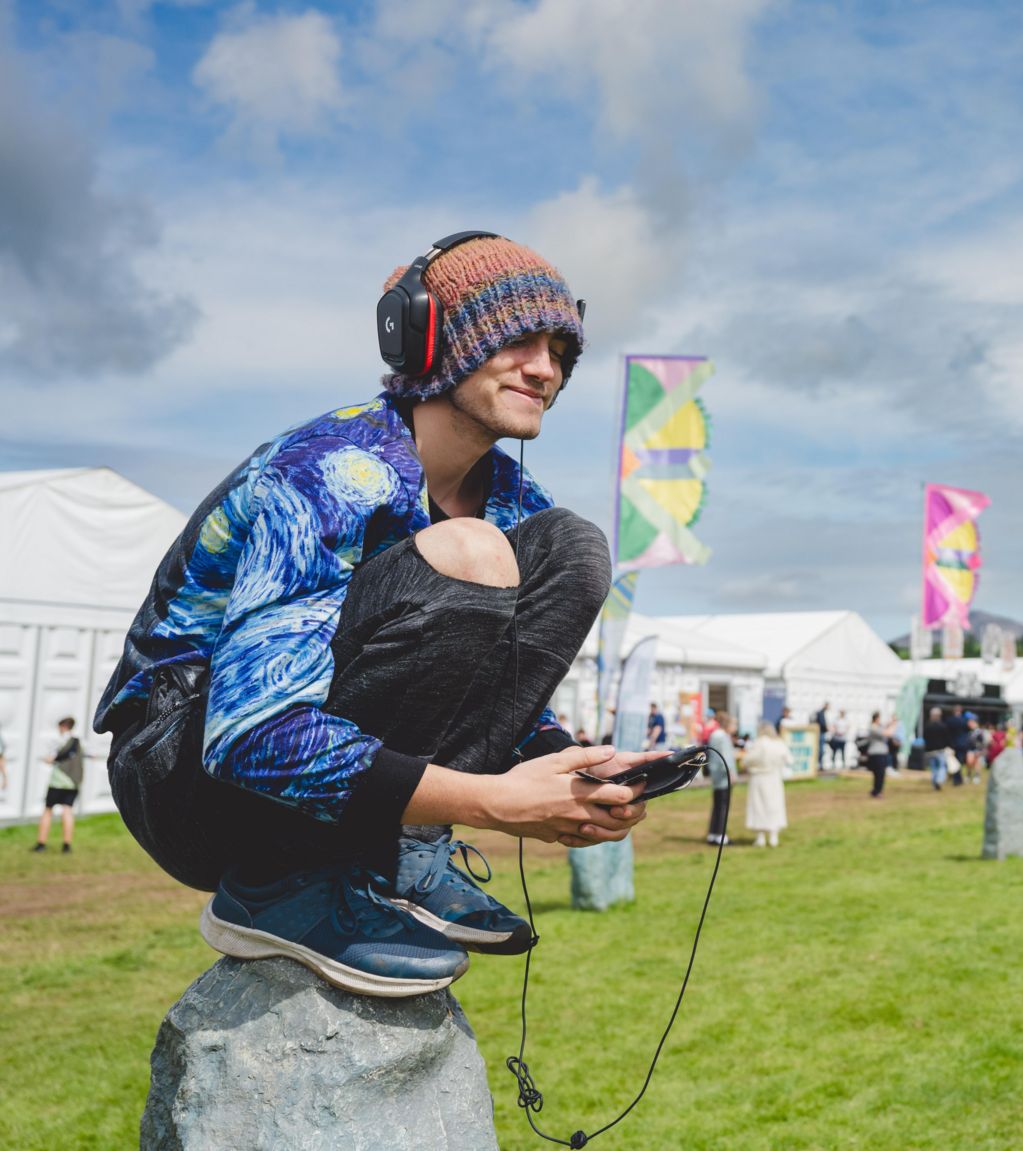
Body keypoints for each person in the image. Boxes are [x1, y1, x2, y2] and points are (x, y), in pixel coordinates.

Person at [90, 233, 661, 998]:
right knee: (475, 552)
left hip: (287, 756)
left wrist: (565, 765)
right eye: (518, 338)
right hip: (183, 773)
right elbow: (249, 734)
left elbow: (492, 683)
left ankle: (398, 859)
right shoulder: (327, 471)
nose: (546, 368)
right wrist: (496, 801)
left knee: (574, 548)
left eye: (561, 349)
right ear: (428, 336)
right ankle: (275, 883)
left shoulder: (516, 500)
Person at [33, 717, 85, 854]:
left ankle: (41, 844)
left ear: (63, 726)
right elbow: (93, 754)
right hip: (73, 783)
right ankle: (67, 845)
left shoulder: (58, 740)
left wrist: (49, 759)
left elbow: (51, 757)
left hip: (57, 781)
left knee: (48, 810)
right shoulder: (79, 741)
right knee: (67, 811)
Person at [744, 717, 790, 847]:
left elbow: (748, 759)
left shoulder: (760, 743)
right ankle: (773, 836)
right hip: (774, 778)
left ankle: (761, 837)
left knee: (759, 807)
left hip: (760, 778)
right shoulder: (779, 743)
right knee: (774, 805)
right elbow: (788, 759)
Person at [704, 710, 737, 845]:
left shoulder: (714, 735)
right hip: (724, 776)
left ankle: (713, 833)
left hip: (716, 774)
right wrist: (731, 773)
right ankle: (720, 836)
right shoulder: (723, 737)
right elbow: (726, 757)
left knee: (717, 805)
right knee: (723, 806)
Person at [863, 711, 892, 798]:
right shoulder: (873, 727)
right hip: (877, 753)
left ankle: (876, 790)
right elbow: (887, 733)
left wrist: (890, 724)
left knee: (879, 773)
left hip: (880, 753)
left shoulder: (877, 727)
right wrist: (894, 725)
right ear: (876, 718)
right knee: (879, 773)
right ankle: (877, 791)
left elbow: (885, 728)